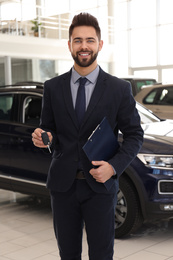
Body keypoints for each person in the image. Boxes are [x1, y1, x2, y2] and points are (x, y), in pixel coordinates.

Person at [32, 12, 143, 260]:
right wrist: (43, 137)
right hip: (63, 187)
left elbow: (135, 135)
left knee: (101, 254)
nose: (84, 46)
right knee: (68, 254)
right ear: (70, 44)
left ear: (100, 45)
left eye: (90, 40)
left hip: (100, 187)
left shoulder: (118, 89)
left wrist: (113, 167)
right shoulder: (53, 87)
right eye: (78, 40)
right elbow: (49, 129)